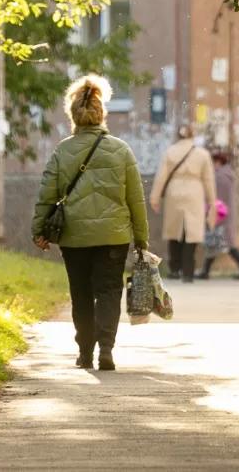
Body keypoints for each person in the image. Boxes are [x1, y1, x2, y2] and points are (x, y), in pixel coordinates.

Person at [31, 75, 149, 372]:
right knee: (109, 291)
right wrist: (142, 239)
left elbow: (47, 194)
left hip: (75, 237)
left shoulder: (62, 151)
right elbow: (136, 199)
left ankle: (85, 352)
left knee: (81, 293)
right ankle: (106, 349)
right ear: (101, 114)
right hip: (114, 236)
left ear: (73, 116)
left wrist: (38, 230)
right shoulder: (121, 150)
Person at [150, 125, 217, 283]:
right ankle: (188, 272)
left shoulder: (170, 152)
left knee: (174, 232)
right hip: (195, 192)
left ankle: (174, 270)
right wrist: (212, 202)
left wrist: (155, 197)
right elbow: (208, 179)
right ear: (192, 136)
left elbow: (161, 176)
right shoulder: (202, 154)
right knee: (191, 233)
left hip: (174, 192)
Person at [196, 151, 239, 280]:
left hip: (221, 214)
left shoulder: (220, 177)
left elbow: (214, 196)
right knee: (216, 243)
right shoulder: (226, 175)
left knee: (224, 244)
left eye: (212, 163)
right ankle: (206, 272)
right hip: (224, 213)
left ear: (218, 162)